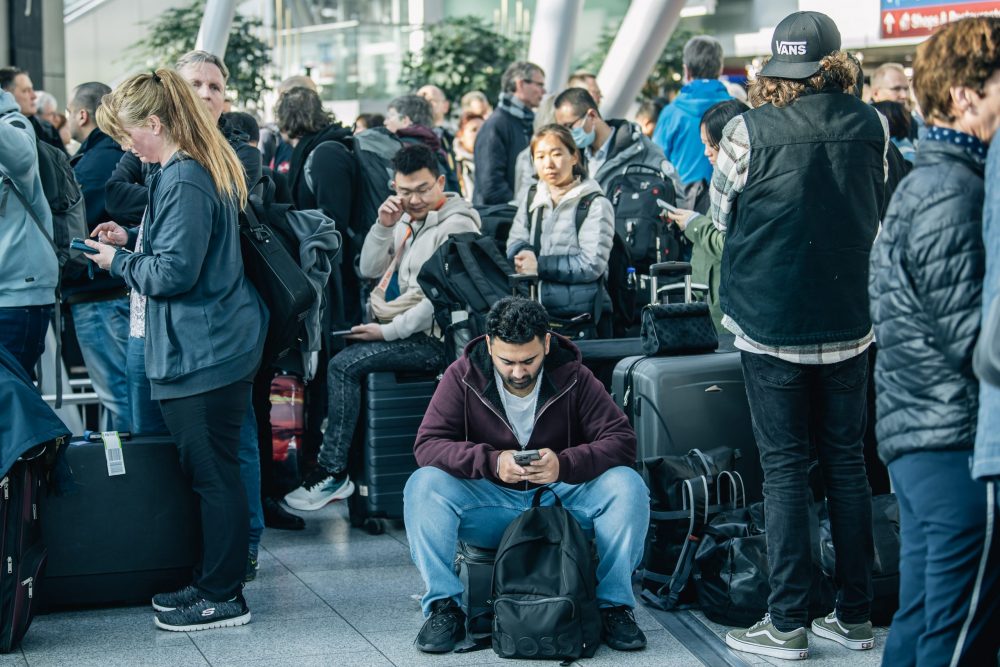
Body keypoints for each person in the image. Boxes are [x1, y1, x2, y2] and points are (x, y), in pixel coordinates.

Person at [712, 11, 888, 660]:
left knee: (784, 468)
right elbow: (879, 206)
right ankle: (856, 616)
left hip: (768, 321)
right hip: (851, 320)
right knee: (847, 462)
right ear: (839, 66)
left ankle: (786, 623)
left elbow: (720, 216)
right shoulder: (874, 125)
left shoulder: (744, 130)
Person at [86, 67, 266, 631]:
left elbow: (176, 272)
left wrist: (119, 262)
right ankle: (213, 581)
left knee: (214, 474)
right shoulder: (184, 169)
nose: (124, 145)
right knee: (212, 472)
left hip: (206, 348)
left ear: (156, 123)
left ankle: (223, 594)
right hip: (207, 343)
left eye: (127, 133)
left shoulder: (184, 175)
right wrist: (133, 246)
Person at [403, 296, 649, 653]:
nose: (518, 372)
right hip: (492, 504)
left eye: (529, 360)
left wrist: (564, 464)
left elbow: (623, 442)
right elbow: (427, 445)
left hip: (558, 503)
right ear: (489, 346)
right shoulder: (463, 375)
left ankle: (614, 608)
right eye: (507, 361)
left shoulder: (575, 376)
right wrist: (492, 461)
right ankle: (445, 607)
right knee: (423, 485)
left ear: (547, 343)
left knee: (628, 486)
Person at [870, 17, 1000, 666]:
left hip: (921, 433)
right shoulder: (953, 189)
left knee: (923, 619)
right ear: (964, 96)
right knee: (957, 632)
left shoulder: (934, 180)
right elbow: (973, 337)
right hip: (950, 439)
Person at [283, 144, 481, 511]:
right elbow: (370, 269)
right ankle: (343, 466)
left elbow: (439, 301)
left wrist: (386, 333)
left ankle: (332, 471)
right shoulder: (406, 220)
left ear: (440, 182)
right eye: (405, 191)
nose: (414, 198)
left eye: (422, 189)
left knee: (344, 365)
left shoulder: (458, 225)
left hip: (435, 340)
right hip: (397, 323)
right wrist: (383, 226)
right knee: (342, 355)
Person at [61, 81, 131, 430]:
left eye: (69, 112)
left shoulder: (90, 168)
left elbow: (75, 228)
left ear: (83, 114)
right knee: (122, 392)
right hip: (117, 290)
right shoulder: (124, 156)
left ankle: (129, 478)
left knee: (117, 395)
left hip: (98, 295)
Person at [506, 125, 614, 327]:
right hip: (536, 314)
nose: (548, 164)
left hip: (581, 318)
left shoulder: (594, 203)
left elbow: (592, 264)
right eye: (540, 157)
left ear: (574, 157)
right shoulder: (532, 197)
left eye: (556, 154)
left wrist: (539, 265)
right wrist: (524, 253)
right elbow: (515, 240)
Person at [662, 98, 749, 333]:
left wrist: (694, 224)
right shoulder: (723, 178)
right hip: (711, 305)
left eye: (712, 145)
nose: (706, 153)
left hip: (727, 315)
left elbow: (728, 243)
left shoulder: (744, 184)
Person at [275, 86, 358, 328]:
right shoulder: (320, 148)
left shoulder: (325, 153)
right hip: (331, 267)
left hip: (339, 271)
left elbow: (334, 219)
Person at [0, 87, 57, 376]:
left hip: (17, 298)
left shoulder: (15, 125)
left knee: (11, 402)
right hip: (10, 295)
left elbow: (21, 159)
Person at [552, 87, 682, 199]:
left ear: (592, 115)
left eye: (569, 126)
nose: (567, 134)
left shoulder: (640, 149)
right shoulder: (572, 157)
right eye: (562, 129)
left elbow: (676, 195)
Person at [652, 36, 731, 190]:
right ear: (720, 69)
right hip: (728, 205)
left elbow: (656, 163)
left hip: (683, 205)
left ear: (686, 70)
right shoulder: (737, 110)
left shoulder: (671, 113)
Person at [473, 61, 546, 206]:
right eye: (539, 85)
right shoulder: (496, 125)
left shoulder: (526, 122)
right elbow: (490, 185)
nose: (543, 91)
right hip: (500, 219)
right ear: (520, 84)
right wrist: (519, 207)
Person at [385, 94, 460, 192]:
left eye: (391, 116)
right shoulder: (437, 144)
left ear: (404, 120)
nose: (385, 122)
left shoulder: (402, 149)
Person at [0, 66, 63, 152]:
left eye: (32, 89)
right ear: (6, 94)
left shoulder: (47, 129)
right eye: (26, 90)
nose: (34, 96)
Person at [454, 111, 483, 201]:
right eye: (474, 130)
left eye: (483, 129)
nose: (480, 134)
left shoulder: (495, 161)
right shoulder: (453, 163)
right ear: (461, 135)